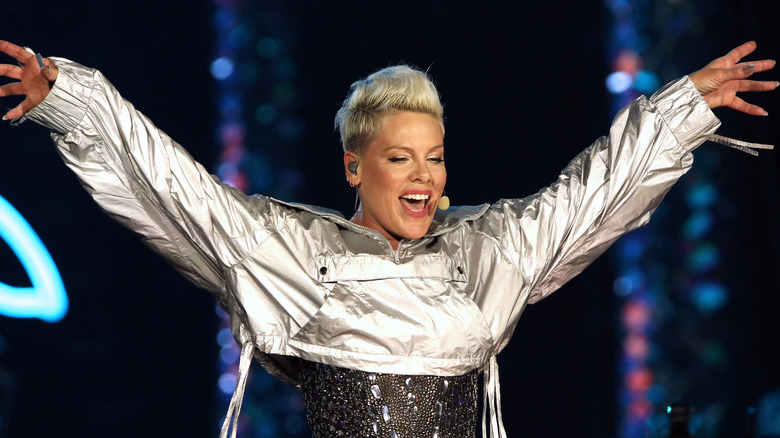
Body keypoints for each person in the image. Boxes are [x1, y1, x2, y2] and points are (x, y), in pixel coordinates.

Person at [0, 40, 776, 438]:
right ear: (355, 167)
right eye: (400, 158)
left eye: (434, 157)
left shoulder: (486, 251)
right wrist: (72, 100)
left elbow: (592, 195)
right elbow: (174, 187)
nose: (424, 176)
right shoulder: (292, 252)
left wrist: (683, 109)